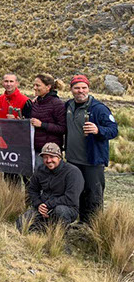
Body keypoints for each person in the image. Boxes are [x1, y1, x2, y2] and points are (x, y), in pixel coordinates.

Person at [64, 74, 118, 224]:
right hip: (72, 160)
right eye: (77, 88)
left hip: (92, 160)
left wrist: (98, 130)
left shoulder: (99, 108)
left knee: (94, 195)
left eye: (84, 87)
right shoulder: (68, 106)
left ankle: (95, 225)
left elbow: (113, 130)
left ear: (88, 88)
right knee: (77, 192)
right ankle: (82, 222)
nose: (80, 91)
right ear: (71, 89)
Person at [16, 143, 84, 232]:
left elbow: (71, 198)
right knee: (21, 222)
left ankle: (60, 233)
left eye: (52, 157)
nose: (48, 160)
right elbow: (32, 189)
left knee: (60, 211)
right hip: (44, 207)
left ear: (59, 157)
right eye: (45, 157)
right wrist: (39, 204)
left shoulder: (73, 172)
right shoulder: (40, 170)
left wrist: (48, 205)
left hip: (67, 208)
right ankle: (44, 228)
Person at [30, 74, 66, 158]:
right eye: (34, 85)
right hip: (35, 148)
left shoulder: (57, 104)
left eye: (38, 85)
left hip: (49, 152)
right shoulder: (36, 102)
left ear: (48, 87)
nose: (34, 88)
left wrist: (42, 125)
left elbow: (62, 128)